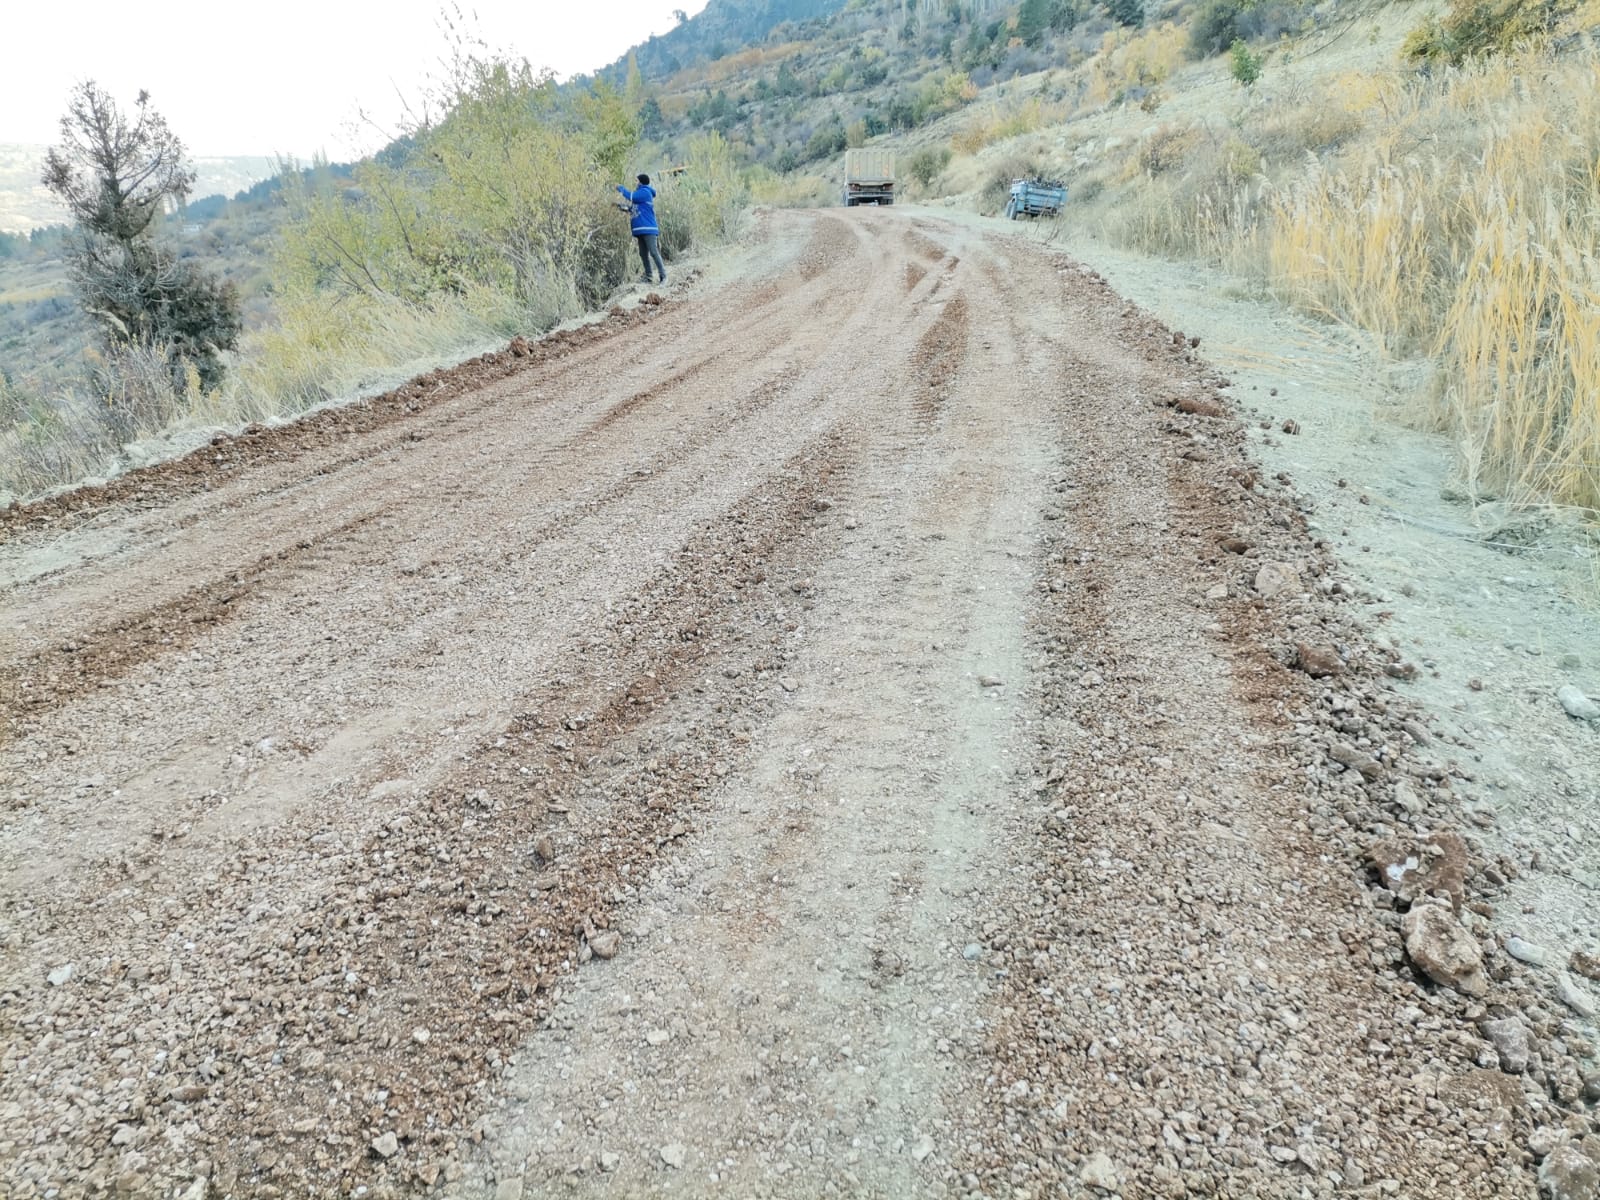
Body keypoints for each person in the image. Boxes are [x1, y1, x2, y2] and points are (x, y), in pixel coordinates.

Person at [617, 174, 666, 285]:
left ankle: (663, 276)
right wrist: (622, 207)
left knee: (654, 252)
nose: (636, 183)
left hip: (649, 229)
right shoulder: (641, 194)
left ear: (641, 182)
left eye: (637, 180)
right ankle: (649, 277)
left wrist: (620, 188)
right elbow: (633, 209)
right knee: (643, 254)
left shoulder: (645, 192)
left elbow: (630, 196)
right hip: (640, 230)